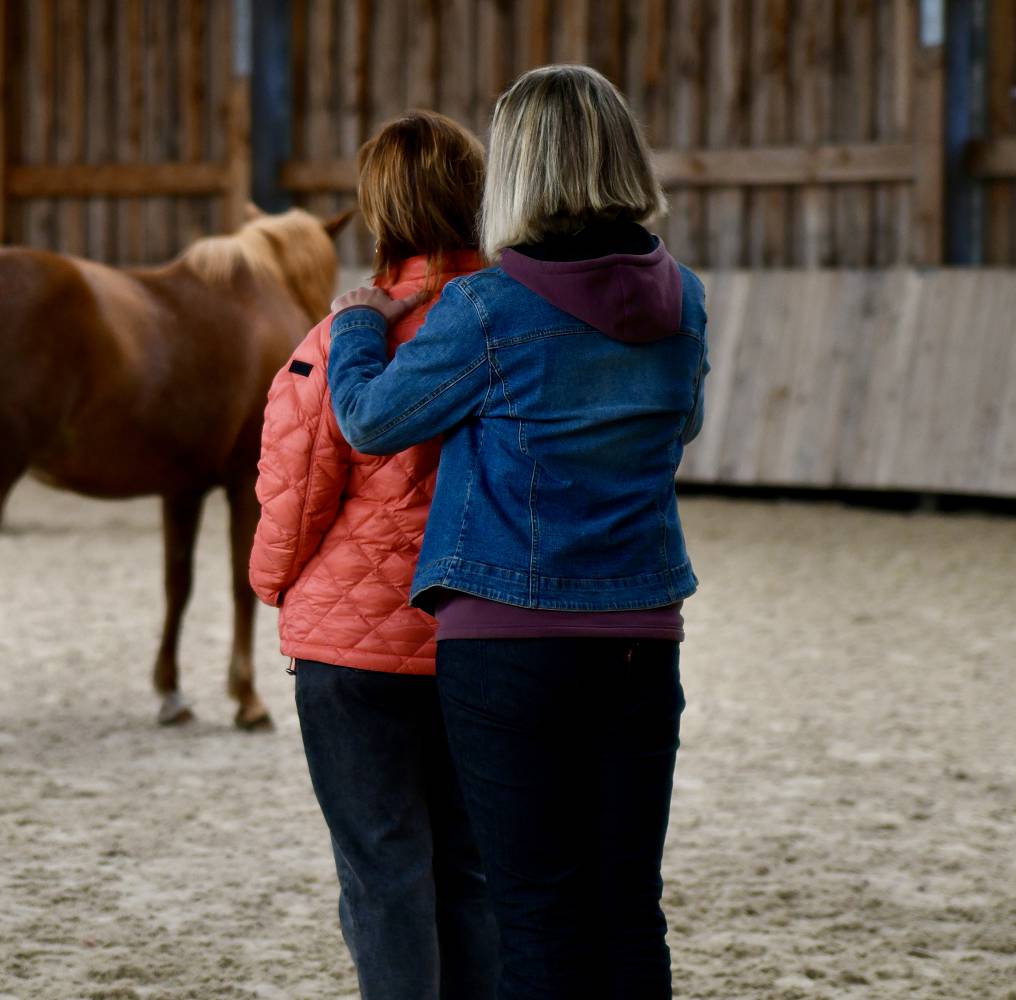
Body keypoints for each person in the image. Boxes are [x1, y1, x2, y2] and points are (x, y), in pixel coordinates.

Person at [326, 66, 709, 999]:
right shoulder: (685, 298)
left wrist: (355, 329)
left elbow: (372, 421)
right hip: (640, 633)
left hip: (508, 643)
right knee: (627, 908)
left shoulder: (487, 310)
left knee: (533, 909)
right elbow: (683, 426)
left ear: (521, 173)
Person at [249, 110, 498, 999]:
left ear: (378, 210)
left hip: (351, 657)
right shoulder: (509, 324)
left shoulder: (335, 341)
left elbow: (294, 492)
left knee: (382, 874)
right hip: (479, 636)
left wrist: (275, 584)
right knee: (471, 872)